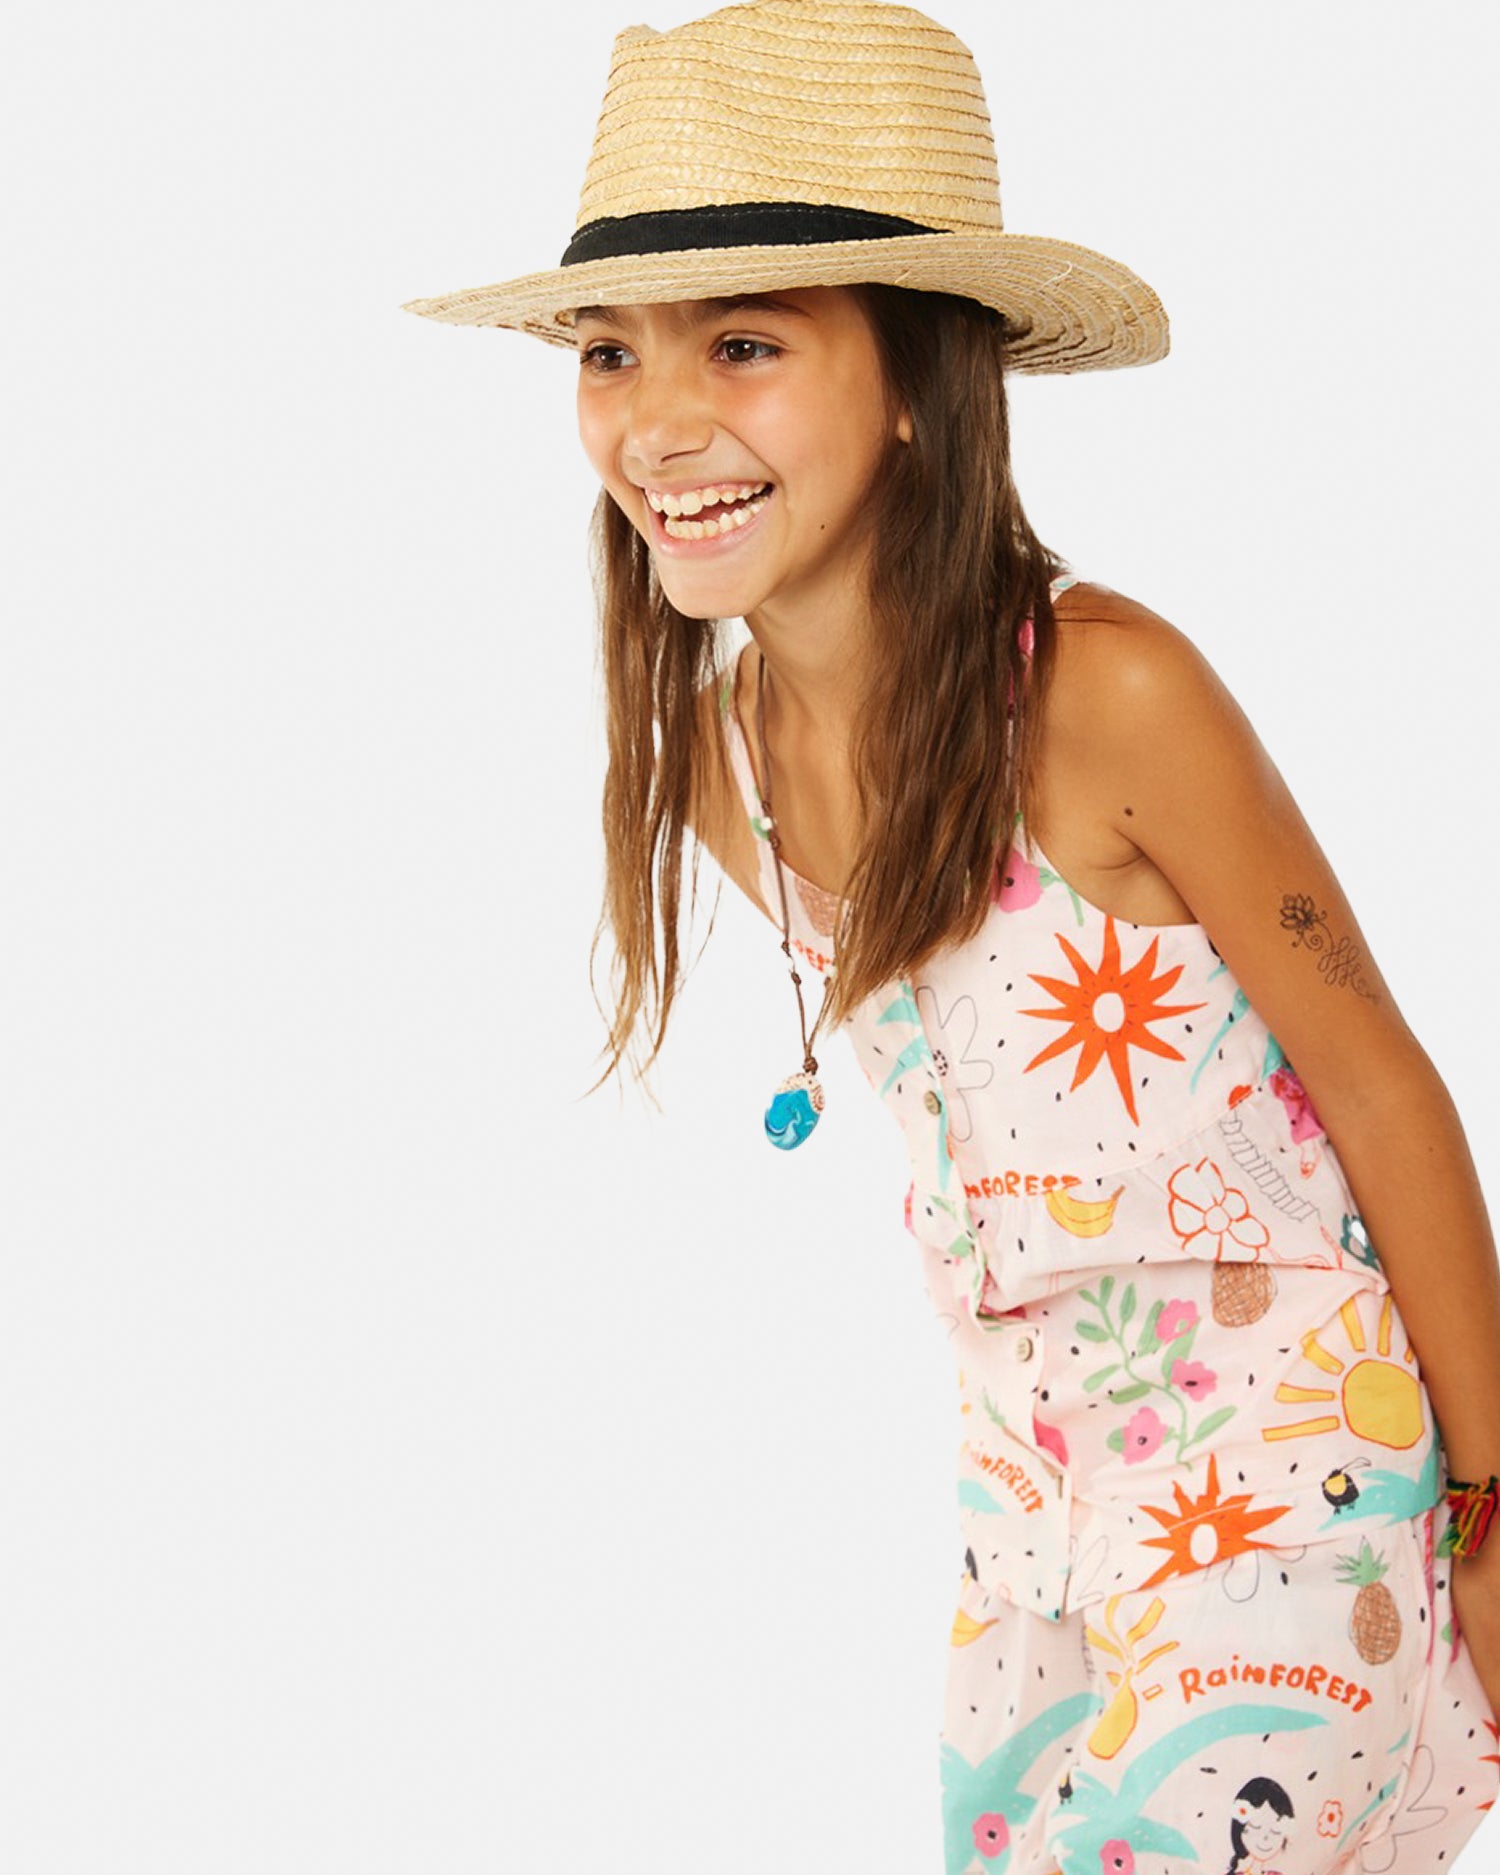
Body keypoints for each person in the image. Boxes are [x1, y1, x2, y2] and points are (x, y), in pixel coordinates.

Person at [402, 2, 1500, 1869]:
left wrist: (1488, 1508)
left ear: (918, 370)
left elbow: (1382, 1089)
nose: (658, 422)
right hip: (1029, 1532)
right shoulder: (724, 768)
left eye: (745, 342)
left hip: (1289, 1494)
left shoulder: (1104, 694)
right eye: (609, 351)